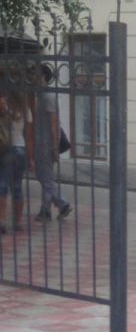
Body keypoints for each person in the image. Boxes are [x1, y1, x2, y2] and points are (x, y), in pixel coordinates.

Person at [32, 63, 72, 222]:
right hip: (41, 142)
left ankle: (51, 209)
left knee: (46, 178)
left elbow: (54, 122)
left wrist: (55, 146)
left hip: (47, 144)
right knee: (43, 176)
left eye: (35, 75)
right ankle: (55, 207)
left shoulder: (48, 96)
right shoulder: (40, 95)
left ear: (43, 77)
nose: (32, 78)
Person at [0, 82, 31, 234]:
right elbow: (29, 135)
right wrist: (30, 158)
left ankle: (1, 220)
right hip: (21, 148)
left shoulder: (4, 107)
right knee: (17, 186)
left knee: (2, 185)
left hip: (6, 148)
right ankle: (17, 222)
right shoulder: (25, 110)